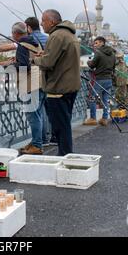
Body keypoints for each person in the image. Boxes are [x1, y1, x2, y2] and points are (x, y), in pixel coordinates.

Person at [0, 22, 44, 155]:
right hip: (41, 81)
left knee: (32, 115)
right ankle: (37, 142)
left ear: (16, 34)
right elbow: (29, 60)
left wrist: (8, 67)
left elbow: (24, 66)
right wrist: (13, 61)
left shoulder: (22, 45)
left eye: (12, 33)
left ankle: (37, 145)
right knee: (38, 114)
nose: (12, 35)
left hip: (31, 83)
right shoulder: (35, 42)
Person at [33, 9, 81, 156]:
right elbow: (60, 57)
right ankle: (66, 154)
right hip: (70, 87)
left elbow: (48, 63)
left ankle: (65, 156)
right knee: (65, 124)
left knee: (61, 126)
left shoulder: (56, 36)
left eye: (43, 20)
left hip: (59, 88)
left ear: (52, 21)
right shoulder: (69, 34)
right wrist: (45, 53)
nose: (41, 23)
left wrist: (34, 59)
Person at [25, 17, 55, 147]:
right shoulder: (48, 38)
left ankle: (38, 142)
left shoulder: (29, 40)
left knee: (35, 112)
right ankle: (47, 138)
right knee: (44, 111)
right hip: (48, 79)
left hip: (35, 78)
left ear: (28, 27)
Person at [83, 36, 116, 126]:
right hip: (109, 79)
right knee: (106, 99)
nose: (95, 45)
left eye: (96, 43)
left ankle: (93, 118)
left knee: (92, 98)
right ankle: (104, 118)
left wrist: (89, 62)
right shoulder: (112, 54)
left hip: (99, 79)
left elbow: (92, 65)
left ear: (102, 43)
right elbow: (113, 67)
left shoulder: (98, 53)